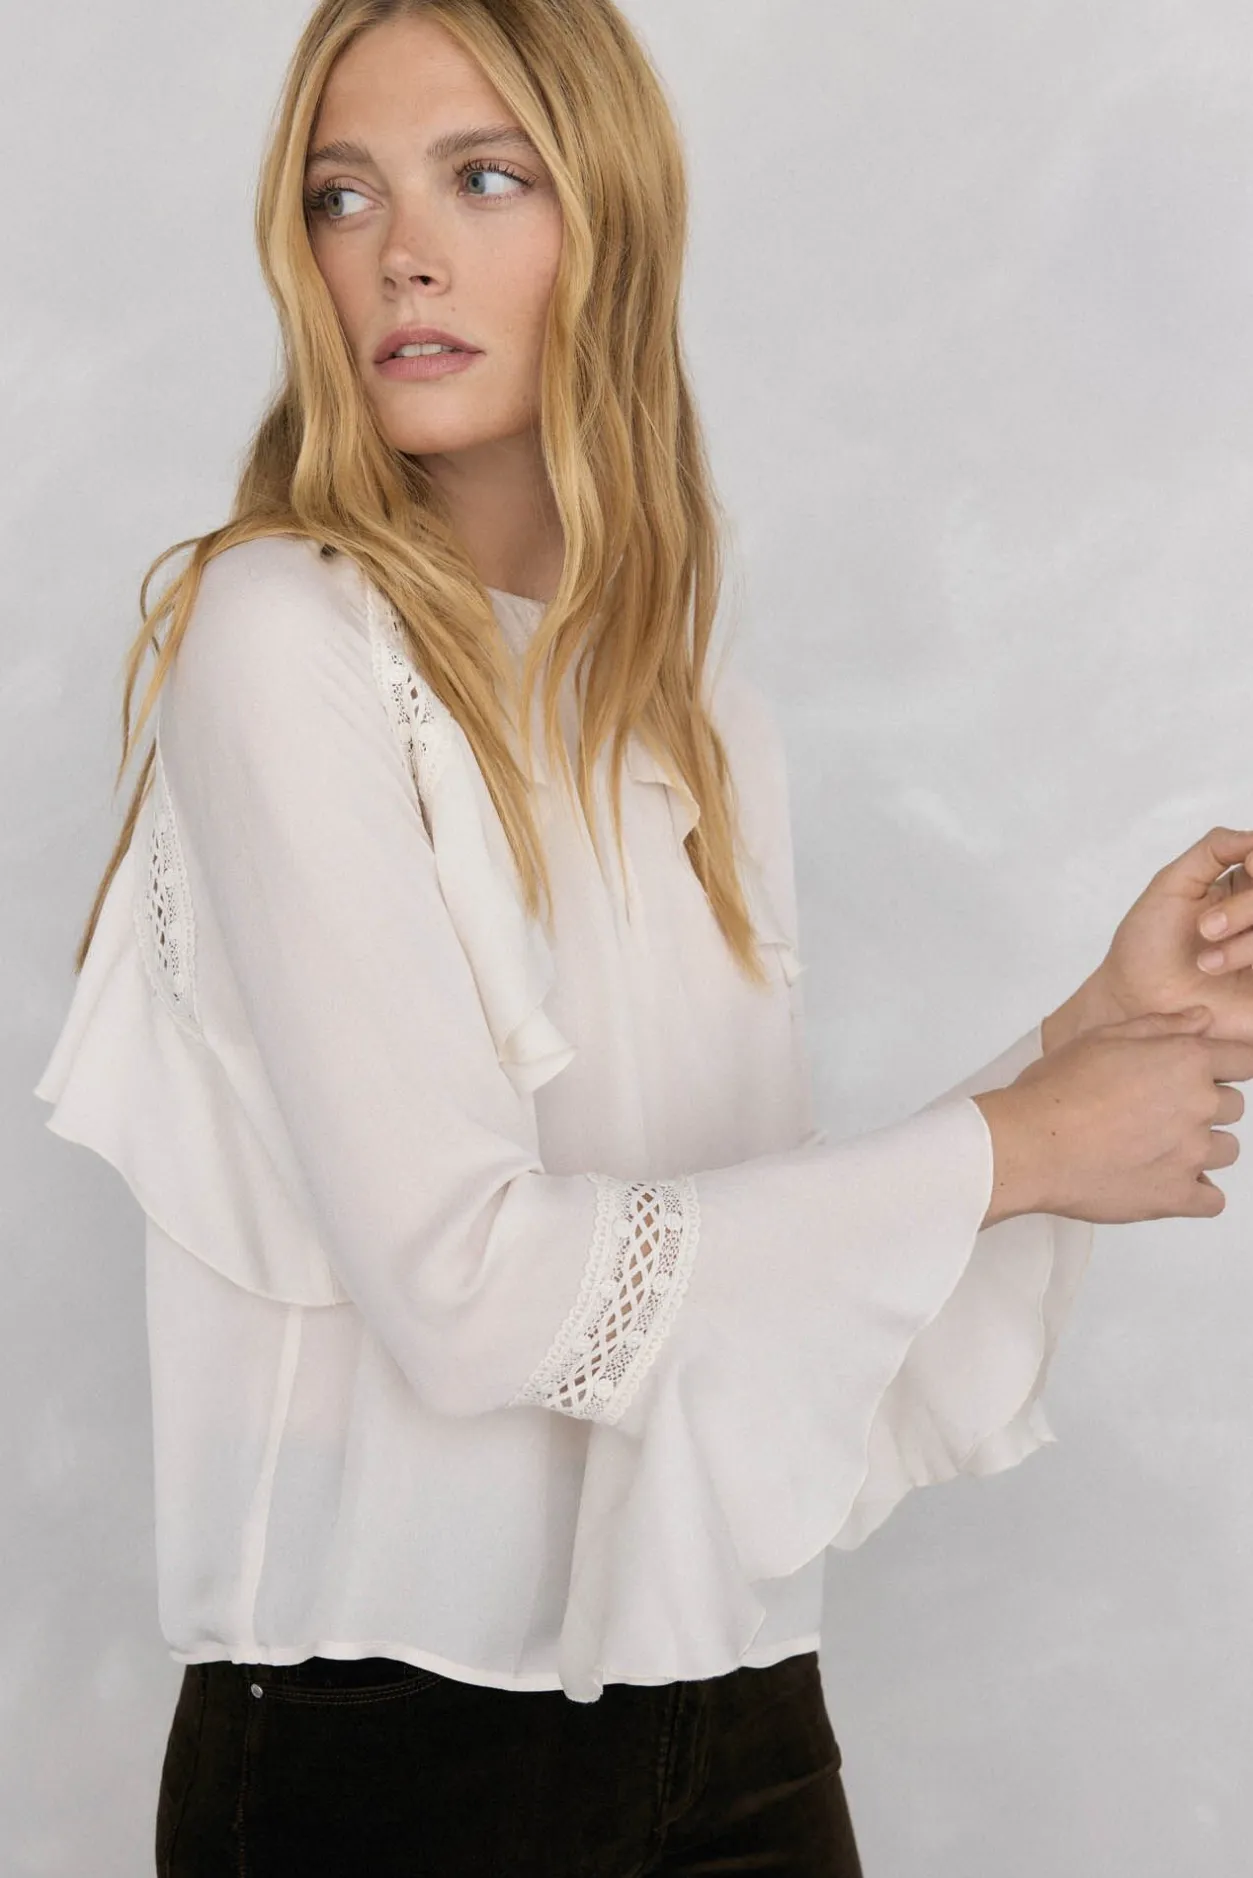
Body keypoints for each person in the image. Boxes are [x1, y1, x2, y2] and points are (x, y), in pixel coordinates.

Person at [32, 1, 1253, 1872]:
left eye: (482, 177)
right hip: (389, 1762)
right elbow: (466, 1288)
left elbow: (742, 1281)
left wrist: (1095, 1033)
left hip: (739, 1713)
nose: (402, 250)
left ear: (610, 218)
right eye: (344, 195)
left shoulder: (696, 718)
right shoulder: (282, 635)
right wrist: (1021, 1144)